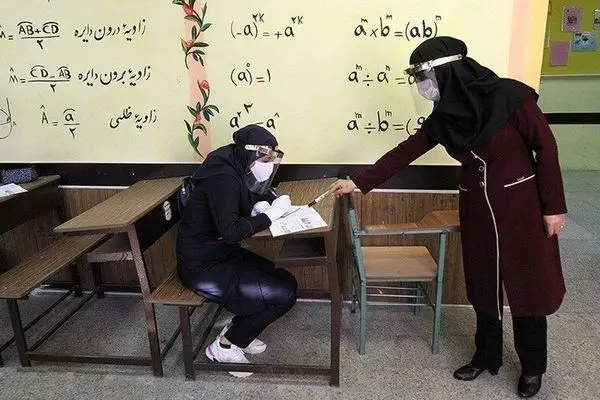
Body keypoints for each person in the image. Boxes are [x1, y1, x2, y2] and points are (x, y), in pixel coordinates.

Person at [330, 37, 567, 398]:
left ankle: (533, 367)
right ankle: (485, 355)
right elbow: (405, 152)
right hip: (477, 209)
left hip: (523, 208)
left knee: (528, 286)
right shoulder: (444, 117)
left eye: (424, 76)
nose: (422, 86)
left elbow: (545, 147)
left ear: (448, 72)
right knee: (484, 285)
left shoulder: (511, 96)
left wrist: (553, 207)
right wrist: (359, 182)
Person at [176, 124, 297, 377]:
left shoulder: (234, 165)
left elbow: (245, 201)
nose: (267, 166)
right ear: (248, 153)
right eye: (264, 160)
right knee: (282, 294)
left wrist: (262, 206)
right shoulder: (223, 178)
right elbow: (231, 231)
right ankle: (225, 346)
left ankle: (239, 332)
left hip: (222, 253)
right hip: (202, 266)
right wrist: (270, 216)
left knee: (286, 281)